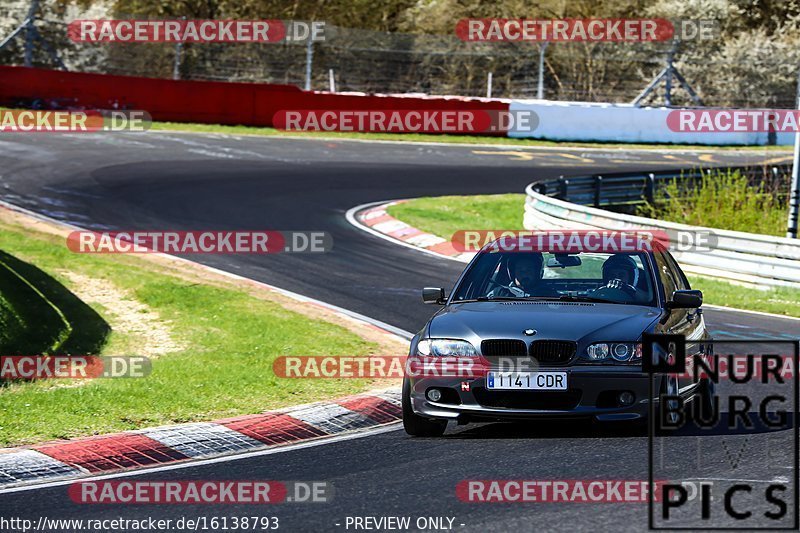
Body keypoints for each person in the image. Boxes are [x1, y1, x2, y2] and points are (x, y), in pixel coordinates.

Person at [487, 252, 554, 298]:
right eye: (520, 270)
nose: (524, 274)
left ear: (537, 273)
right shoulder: (498, 294)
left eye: (529, 270)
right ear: (512, 273)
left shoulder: (550, 295)